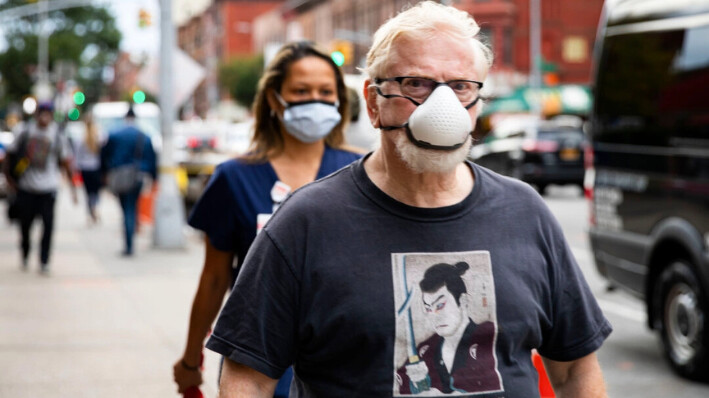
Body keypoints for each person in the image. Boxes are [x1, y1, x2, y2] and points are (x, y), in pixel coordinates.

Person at [205, 2, 612, 397]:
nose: (443, 105)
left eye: (460, 86)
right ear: (372, 102)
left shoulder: (526, 212)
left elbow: (575, 369)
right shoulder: (306, 222)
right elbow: (249, 378)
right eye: (415, 83)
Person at [172, 41, 364, 397]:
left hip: (347, 364)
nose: (316, 101)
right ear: (275, 99)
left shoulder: (363, 172)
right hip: (258, 363)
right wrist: (189, 359)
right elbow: (214, 279)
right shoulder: (234, 177)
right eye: (301, 91)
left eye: (326, 92)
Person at [396, 261, 500, 395]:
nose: (434, 316)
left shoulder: (487, 335)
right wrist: (415, 384)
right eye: (428, 309)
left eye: (440, 306)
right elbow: (399, 385)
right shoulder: (425, 349)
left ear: (463, 301)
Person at [2, 101, 77, 274]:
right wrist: (9, 179)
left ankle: (44, 260)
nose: (44, 116)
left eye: (47, 113)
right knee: (25, 225)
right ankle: (25, 252)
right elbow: (9, 155)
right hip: (26, 188)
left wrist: (73, 189)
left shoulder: (57, 134)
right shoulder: (24, 131)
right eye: (41, 112)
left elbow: (66, 162)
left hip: (48, 188)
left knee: (48, 226)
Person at [100, 106, 157, 256]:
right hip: (137, 176)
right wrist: (154, 177)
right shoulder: (144, 136)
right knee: (132, 207)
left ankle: (129, 245)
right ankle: (130, 242)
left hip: (119, 176)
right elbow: (152, 158)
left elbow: (104, 154)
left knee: (126, 209)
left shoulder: (114, 134)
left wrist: (104, 173)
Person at [74, 111, 103, 224]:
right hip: (96, 168)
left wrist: (76, 168)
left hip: (85, 169)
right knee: (95, 191)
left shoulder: (80, 138)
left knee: (87, 192)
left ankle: (90, 211)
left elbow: (77, 157)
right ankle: (94, 207)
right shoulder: (98, 138)